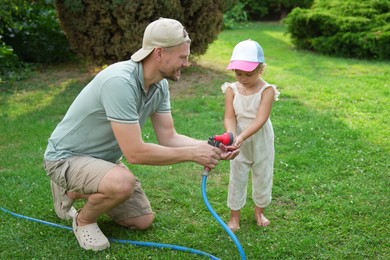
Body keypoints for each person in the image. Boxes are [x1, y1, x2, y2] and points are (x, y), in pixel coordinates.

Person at [43, 17, 238, 251]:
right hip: (65, 158)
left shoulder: (159, 85)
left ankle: (73, 190)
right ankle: (84, 220)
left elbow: (169, 137)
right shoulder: (120, 82)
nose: (187, 63)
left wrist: (209, 147)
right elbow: (135, 153)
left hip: (101, 162)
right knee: (122, 184)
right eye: (182, 57)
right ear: (159, 54)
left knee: (142, 220)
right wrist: (192, 154)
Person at [221, 39, 280, 232]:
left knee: (263, 174)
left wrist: (242, 136)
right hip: (239, 140)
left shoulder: (267, 90)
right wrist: (232, 135)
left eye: (249, 74)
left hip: (260, 138)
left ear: (261, 69)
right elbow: (230, 116)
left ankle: (259, 211)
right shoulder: (231, 89)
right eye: (238, 73)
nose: (243, 78)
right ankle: (234, 216)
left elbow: (260, 119)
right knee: (237, 175)